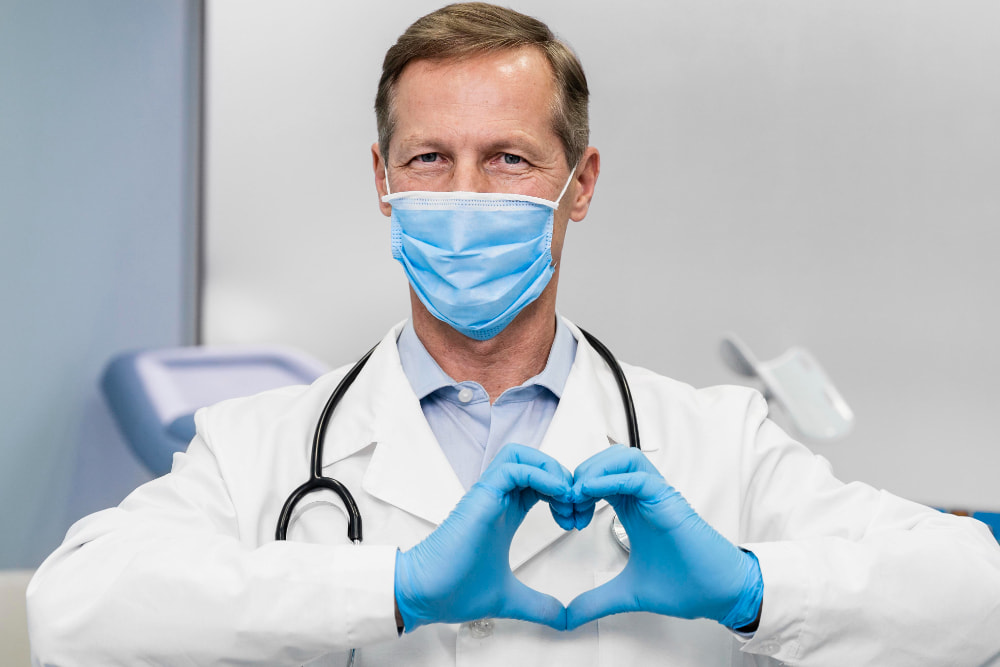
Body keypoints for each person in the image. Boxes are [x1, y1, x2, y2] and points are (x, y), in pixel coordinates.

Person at [27, 3, 1000, 666]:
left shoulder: (717, 443)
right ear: (381, 180)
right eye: (428, 158)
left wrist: (750, 586)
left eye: (506, 159)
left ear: (579, 183)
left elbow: (978, 596)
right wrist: (391, 587)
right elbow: (70, 613)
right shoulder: (259, 445)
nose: (461, 196)